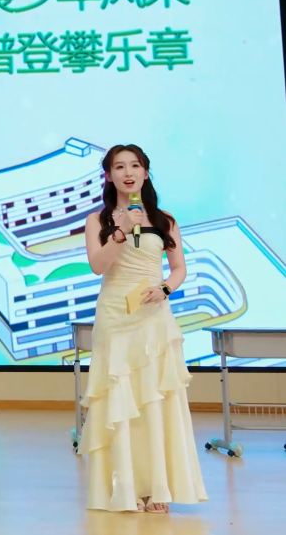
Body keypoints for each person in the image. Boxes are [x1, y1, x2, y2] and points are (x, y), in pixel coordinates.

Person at [79, 144, 208, 513]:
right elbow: (97, 266)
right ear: (108, 176)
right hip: (115, 315)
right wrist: (121, 230)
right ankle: (125, 487)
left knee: (153, 398)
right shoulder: (98, 220)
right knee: (121, 397)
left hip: (153, 315)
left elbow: (179, 269)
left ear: (146, 173)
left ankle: (157, 486)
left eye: (135, 165)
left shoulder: (165, 219)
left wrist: (164, 288)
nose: (128, 172)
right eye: (119, 167)